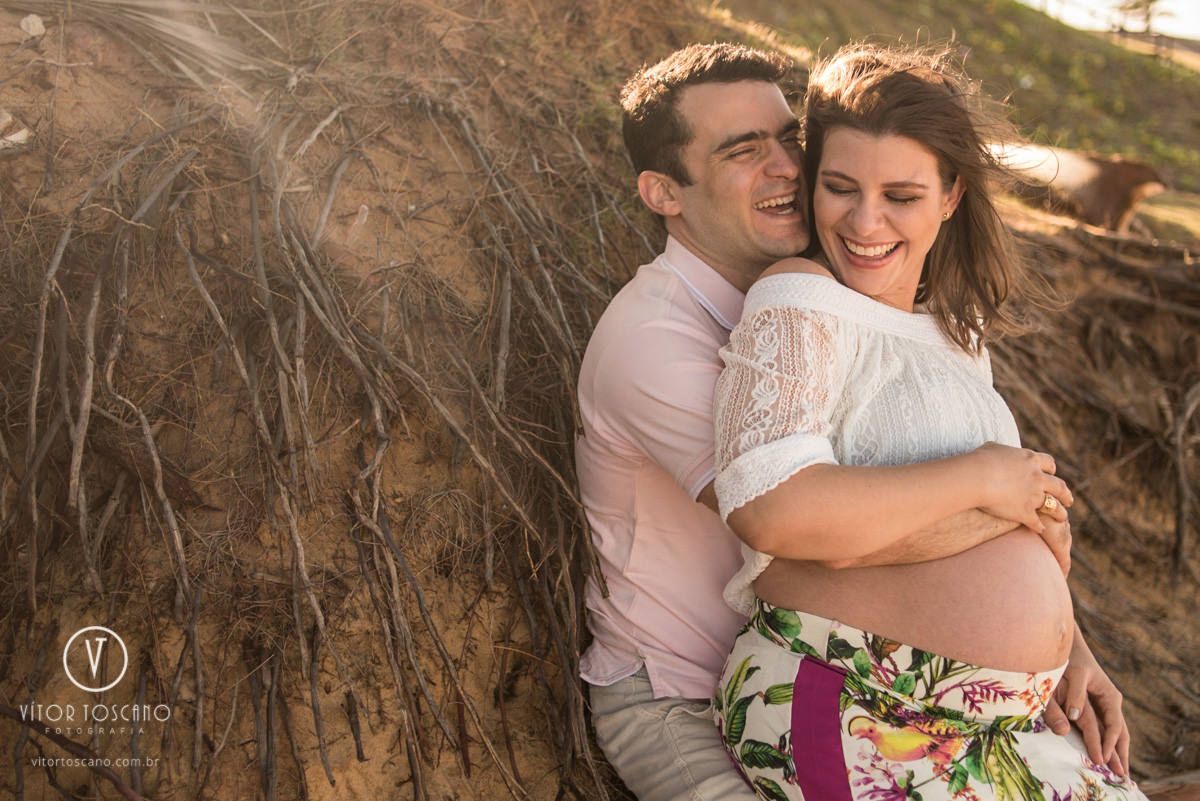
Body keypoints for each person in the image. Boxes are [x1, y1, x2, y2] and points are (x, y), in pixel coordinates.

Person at [577, 42, 1119, 801]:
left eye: (788, 141)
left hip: (898, 685)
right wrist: (1003, 501)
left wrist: (1067, 642)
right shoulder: (654, 340)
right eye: (742, 150)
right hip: (682, 689)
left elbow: (896, 502)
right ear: (665, 191)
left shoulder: (855, 302)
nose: (786, 169)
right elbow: (796, 531)